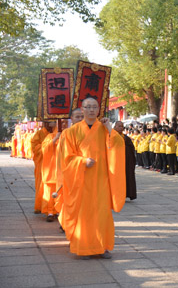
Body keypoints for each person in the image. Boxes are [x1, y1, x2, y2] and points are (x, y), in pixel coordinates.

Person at [61, 98, 125, 258]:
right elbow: (67, 159)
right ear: (82, 110)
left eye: (94, 107)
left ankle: (102, 247)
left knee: (102, 213)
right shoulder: (71, 132)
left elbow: (117, 144)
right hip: (81, 180)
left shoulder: (103, 129)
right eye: (87, 107)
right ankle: (84, 247)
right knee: (84, 215)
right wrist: (82, 161)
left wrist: (109, 127)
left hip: (101, 179)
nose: (91, 110)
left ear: (98, 110)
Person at [31, 121, 55, 214]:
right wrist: (47, 145)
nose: (49, 124)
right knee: (41, 183)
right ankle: (40, 205)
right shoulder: (39, 133)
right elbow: (35, 147)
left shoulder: (58, 132)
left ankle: (52, 208)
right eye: (47, 122)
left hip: (54, 162)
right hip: (42, 162)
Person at [114, 121, 137, 200]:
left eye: (122, 126)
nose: (121, 128)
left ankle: (126, 193)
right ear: (115, 127)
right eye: (119, 126)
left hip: (126, 161)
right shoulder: (111, 136)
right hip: (115, 161)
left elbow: (131, 148)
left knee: (127, 177)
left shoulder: (125, 137)